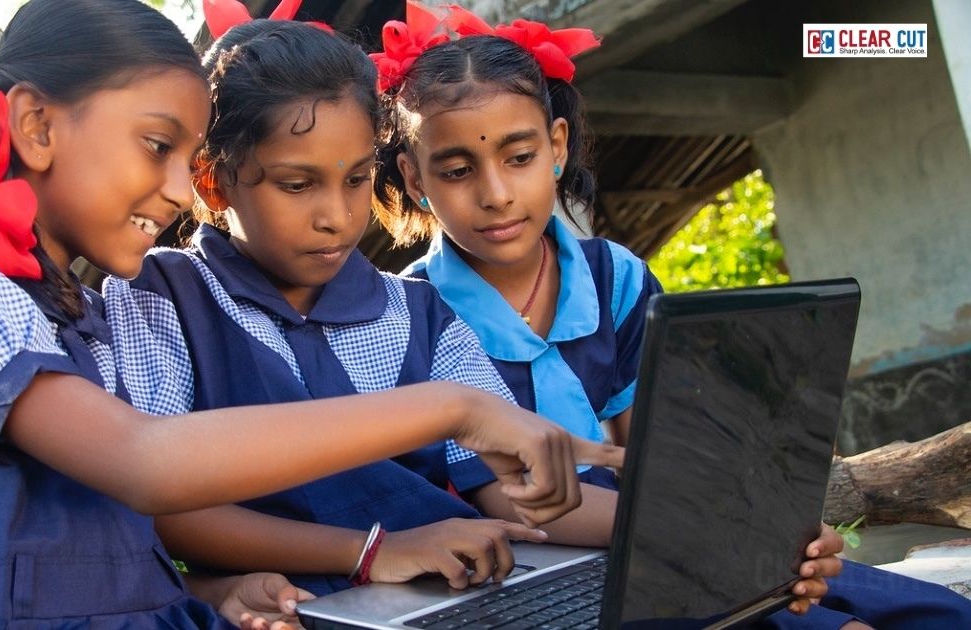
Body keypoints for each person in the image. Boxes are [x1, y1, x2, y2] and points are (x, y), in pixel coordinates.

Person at [0, 1, 600, 627]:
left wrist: (217, 592)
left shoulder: (82, 311)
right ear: (37, 126)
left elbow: (112, 543)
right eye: (158, 146)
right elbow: (146, 465)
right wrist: (454, 408)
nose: (181, 192)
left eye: (187, 161)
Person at [102, 10, 833, 610]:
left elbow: (516, 493)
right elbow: (166, 506)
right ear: (214, 181)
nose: (337, 216)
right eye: (298, 185)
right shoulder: (160, 300)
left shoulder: (418, 314)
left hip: (452, 594)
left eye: (355, 180)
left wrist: (716, 533)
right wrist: (370, 552)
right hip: (302, 598)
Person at [372, 4, 971, 628]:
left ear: (556, 146)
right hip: (539, 564)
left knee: (936, 614)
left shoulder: (614, 277)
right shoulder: (414, 317)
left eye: (519, 157)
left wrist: (768, 530)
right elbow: (515, 502)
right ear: (415, 179)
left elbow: (659, 449)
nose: (496, 194)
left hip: (663, 532)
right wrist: (710, 534)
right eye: (458, 171)